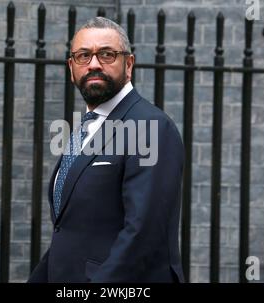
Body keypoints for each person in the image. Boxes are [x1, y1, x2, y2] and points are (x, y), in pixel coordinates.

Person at [29, 17, 185, 283]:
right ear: (71, 67)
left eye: (107, 54)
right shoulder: (86, 127)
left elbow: (143, 235)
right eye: (83, 56)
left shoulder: (149, 126)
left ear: (129, 65)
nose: (93, 64)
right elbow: (69, 230)